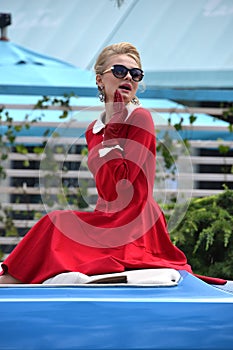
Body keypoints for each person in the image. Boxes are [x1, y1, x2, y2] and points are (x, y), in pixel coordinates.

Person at [0, 42, 227, 285]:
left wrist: (115, 128)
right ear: (100, 80)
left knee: (56, 223)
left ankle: (10, 282)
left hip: (135, 222)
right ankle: (11, 281)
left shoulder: (140, 118)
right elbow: (106, 189)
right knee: (54, 223)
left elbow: (124, 187)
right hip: (106, 219)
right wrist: (111, 131)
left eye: (135, 73)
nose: (129, 76)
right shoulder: (93, 130)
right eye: (119, 71)